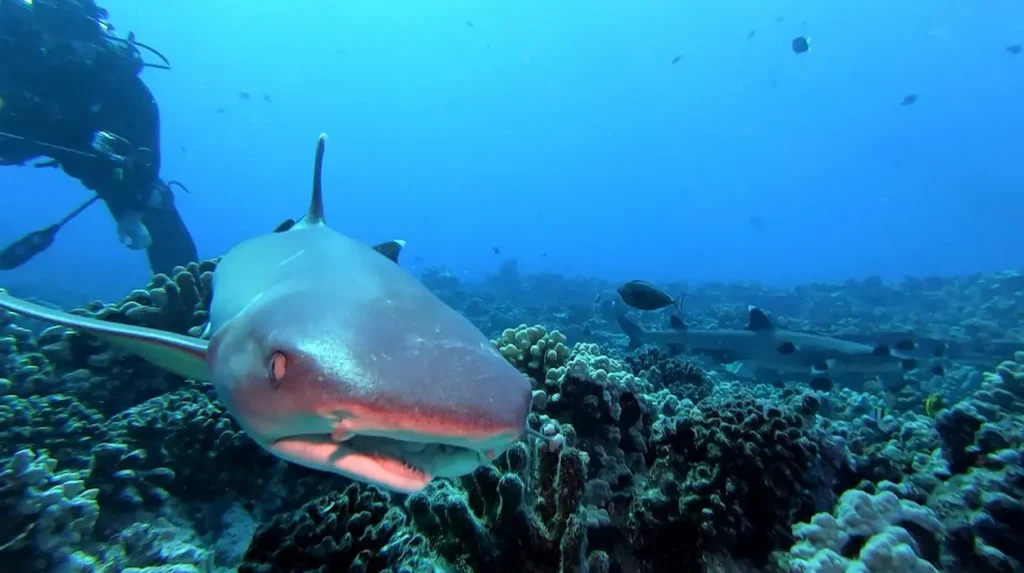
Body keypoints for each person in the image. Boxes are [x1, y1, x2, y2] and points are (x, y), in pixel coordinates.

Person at [0, 0, 197, 275]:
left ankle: (184, 297)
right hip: (14, 128)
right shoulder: (12, 38)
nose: (64, 41)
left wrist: (134, 211)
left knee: (152, 198)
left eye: (76, 30)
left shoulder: (115, 80)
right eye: (54, 27)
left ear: (96, 34)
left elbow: (146, 152)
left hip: (76, 143)